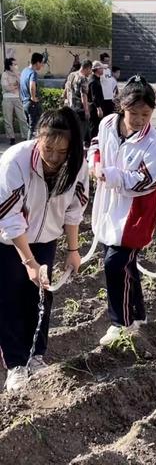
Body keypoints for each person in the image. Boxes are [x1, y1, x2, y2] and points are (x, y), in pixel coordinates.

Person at [0, 107, 89, 393]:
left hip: (46, 238)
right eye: (48, 148)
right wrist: (28, 261)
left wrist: (73, 250)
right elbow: (10, 217)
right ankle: (16, 364)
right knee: (9, 299)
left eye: (61, 151)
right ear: (38, 137)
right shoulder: (15, 161)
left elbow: (75, 208)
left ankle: (36, 356)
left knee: (41, 296)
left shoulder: (77, 163)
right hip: (8, 241)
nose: (53, 157)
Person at [88, 76, 156, 346]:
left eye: (146, 114)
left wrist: (110, 174)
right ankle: (138, 314)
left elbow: (148, 180)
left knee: (114, 264)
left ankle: (119, 323)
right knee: (126, 265)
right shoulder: (108, 124)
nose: (139, 119)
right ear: (122, 106)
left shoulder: (153, 143)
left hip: (136, 213)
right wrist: (94, 162)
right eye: (134, 113)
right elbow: (96, 144)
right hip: (109, 207)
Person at [1, 58, 28, 145]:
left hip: (17, 98)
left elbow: (22, 84)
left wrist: (16, 75)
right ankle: (11, 138)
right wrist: (15, 86)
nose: (16, 66)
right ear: (10, 65)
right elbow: (6, 87)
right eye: (14, 64)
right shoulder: (4, 74)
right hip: (7, 99)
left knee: (22, 118)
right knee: (8, 119)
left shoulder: (18, 73)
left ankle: (26, 136)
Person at [66, 59, 92, 146]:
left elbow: (66, 90)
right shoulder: (83, 78)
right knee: (80, 132)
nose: (90, 72)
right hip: (79, 109)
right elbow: (83, 95)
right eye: (90, 70)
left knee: (72, 130)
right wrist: (86, 110)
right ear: (87, 68)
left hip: (70, 107)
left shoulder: (71, 75)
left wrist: (63, 100)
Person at [20, 52, 44, 140]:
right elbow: (32, 85)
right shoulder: (33, 73)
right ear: (37, 62)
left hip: (25, 102)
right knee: (35, 126)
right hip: (32, 103)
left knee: (31, 126)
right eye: (41, 63)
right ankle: (31, 147)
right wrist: (33, 97)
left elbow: (21, 85)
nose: (42, 65)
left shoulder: (24, 71)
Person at [87, 60, 107, 143]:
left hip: (96, 107)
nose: (103, 70)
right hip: (94, 108)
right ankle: (92, 143)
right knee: (94, 127)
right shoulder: (93, 81)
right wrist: (99, 108)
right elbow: (94, 97)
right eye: (101, 68)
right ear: (97, 69)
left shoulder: (97, 79)